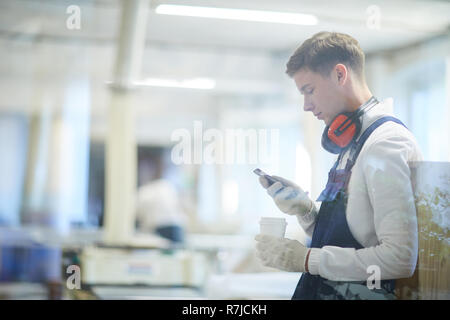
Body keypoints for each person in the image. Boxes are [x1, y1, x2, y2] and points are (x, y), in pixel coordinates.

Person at [254, 31, 422, 300]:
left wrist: (308, 259)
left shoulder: (386, 144)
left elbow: (400, 258)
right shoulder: (354, 144)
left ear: (340, 75)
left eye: (309, 91)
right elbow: (354, 236)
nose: (307, 106)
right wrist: (306, 212)